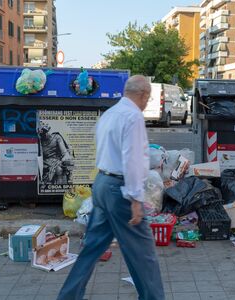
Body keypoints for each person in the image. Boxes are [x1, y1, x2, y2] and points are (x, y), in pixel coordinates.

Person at [57, 75, 165, 300]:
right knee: (143, 254)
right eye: (148, 98)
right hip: (120, 190)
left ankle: (68, 296)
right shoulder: (133, 116)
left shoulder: (110, 113)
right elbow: (133, 159)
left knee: (92, 248)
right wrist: (136, 199)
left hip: (102, 184)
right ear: (144, 95)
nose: (147, 103)